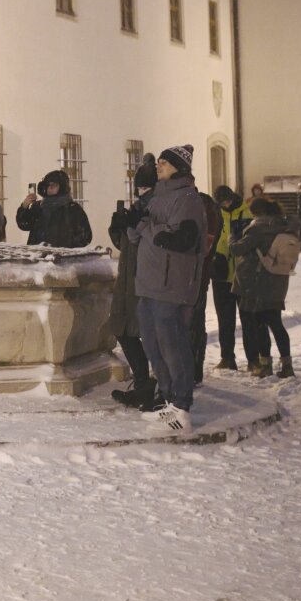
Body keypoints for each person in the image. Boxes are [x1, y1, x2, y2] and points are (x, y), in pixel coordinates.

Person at [128, 144, 208, 433]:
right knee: (153, 345)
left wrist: (147, 227)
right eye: (159, 161)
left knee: (173, 344)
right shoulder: (157, 196)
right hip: (149, 283)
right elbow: (138, 236)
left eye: (164, 162)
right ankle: (167, 398)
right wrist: (131, 222)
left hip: (172, 284)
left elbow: (181, 239)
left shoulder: (187, 198)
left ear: (179, 167)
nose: (158, 165)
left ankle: (181, 405)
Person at [108, 155, 159, 407]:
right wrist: (117, 229)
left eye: (146, 187)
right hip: (128, 281)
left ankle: (156, 389)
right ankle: (142, 383)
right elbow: (126, 245)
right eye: (139, 187)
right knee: (124, 331)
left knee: (150, 336)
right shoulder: (138, 208)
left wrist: (133, 226)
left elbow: (151, 243)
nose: (141, 192)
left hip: (147, 281)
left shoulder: (159, 209)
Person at [231, 197, 297, 377]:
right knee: (276, 324)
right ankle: (287, 365)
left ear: (256, 212)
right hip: (278, 282)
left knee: (260, 324)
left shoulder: (258, 228)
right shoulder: (284, 226)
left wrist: (233, 236)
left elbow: (237, 249)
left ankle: (265, 364)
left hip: (258, 283)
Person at [211, 186, 251, 371]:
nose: (225, 205)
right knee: (225, 320)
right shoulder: (215, 214)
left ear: (232, 198)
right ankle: (227, 358)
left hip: (243, 276)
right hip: (221, 276)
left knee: (248, 320)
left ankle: (253, 359)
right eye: (222, 203)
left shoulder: (246, 213)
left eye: (227, 201)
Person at [191, 190, 224, 383]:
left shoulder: (207, 210)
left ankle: (194, 371)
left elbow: (204, 247)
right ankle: (193, 371)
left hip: (196, 278)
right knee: (193, 325)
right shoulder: (205, 208)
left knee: (194, 326)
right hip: (193, 278)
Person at [15, 169, 93, 247]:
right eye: (48, 185)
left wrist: (64, 247)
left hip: (61, 254)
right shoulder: (38, 206)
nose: (50, 188)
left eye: (54, 185)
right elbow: (24, 225)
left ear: (62, 187)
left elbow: (85, 237)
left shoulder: (73, 209)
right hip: (37, 253)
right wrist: (24, 206)